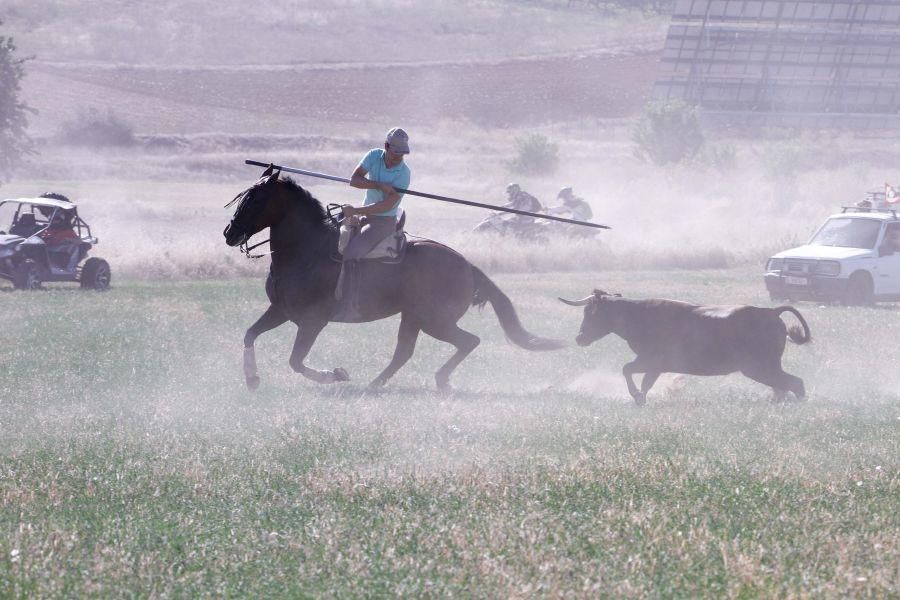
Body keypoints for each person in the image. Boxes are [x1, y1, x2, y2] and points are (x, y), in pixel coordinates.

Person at [335, 127, 412, 316]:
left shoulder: (404, 173)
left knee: (352, 252)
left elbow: (386, 206)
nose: (399, 157)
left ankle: (349, 305)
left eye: (403, 154)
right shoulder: (374, 155)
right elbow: (354, 180)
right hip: (363, 216)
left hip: (383, 222)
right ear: (386, 146)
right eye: (396, 153)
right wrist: (378, 184)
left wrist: (356, 210)